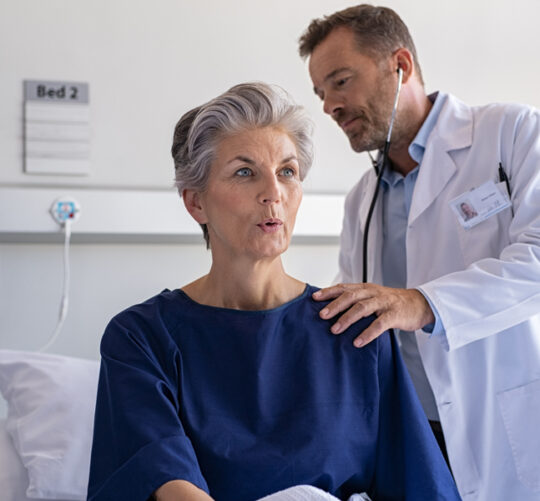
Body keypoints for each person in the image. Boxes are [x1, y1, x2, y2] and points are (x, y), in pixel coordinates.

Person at [86, 82, 459, 501]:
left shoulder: (355, 328)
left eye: (287, 172)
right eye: (245, 172)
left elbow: (421, 484)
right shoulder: (143, 337)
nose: (273, 194)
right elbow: (163, 479)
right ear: (196, 203)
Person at [298, 5, 540, 501]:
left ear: (400, 64)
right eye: (322, 94)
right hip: (411, 436)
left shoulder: (510, 133)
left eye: (341, 81)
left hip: (503, 422)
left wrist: (422, 303)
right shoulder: (361, 200)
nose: (330, 106)